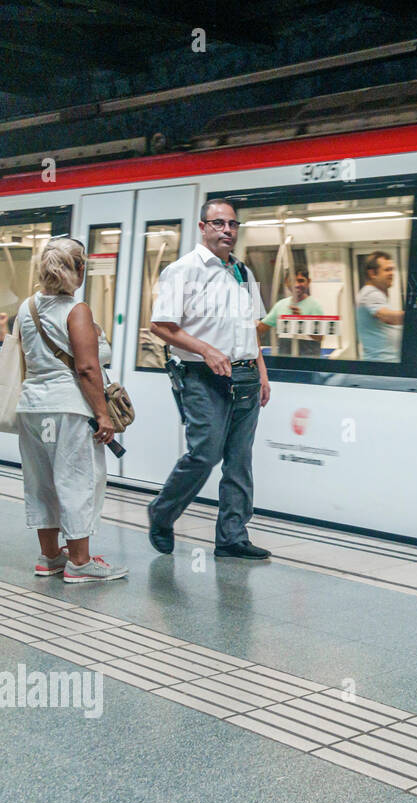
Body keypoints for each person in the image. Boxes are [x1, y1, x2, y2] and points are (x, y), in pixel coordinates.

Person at [146, 199, 272, 560]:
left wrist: (262, 373)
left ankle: (232, 536)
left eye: (232, 224)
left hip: (245, 375)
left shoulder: (244, 273)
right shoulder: (182, 271)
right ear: (202, 228)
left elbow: (253, 329)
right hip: (202, 376)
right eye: (218, 224)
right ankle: (162, 512)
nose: (227, 230)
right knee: (205, 453)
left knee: (239, 459)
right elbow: (160, 325)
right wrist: (205, 349)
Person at [15, 238, 126, 582]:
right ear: (79, 269)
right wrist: (103, 415)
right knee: (77, 480)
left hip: (32, 407)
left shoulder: (26, 307)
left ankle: (50, 557)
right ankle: (79, 561)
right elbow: (88, 369)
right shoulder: (76, 311)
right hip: (69, 409)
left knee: (41, 483)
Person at [261, 267, 326, 356]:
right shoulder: (281, 305)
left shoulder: (315, 306)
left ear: (308, 282)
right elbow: (262, 328)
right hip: (285, 360)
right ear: (286, 282)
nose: (296, 284)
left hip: (309, 361)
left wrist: (302, 322)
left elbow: (319, 337)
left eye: (301, 280)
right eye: (292, 280)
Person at [356, 252, 403, 362]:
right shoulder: (370, 293)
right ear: (372, 273)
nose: (392, 273)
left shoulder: (376, 294)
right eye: (387, 270)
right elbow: (387, 317)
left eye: (392, 269)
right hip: (381, 364)